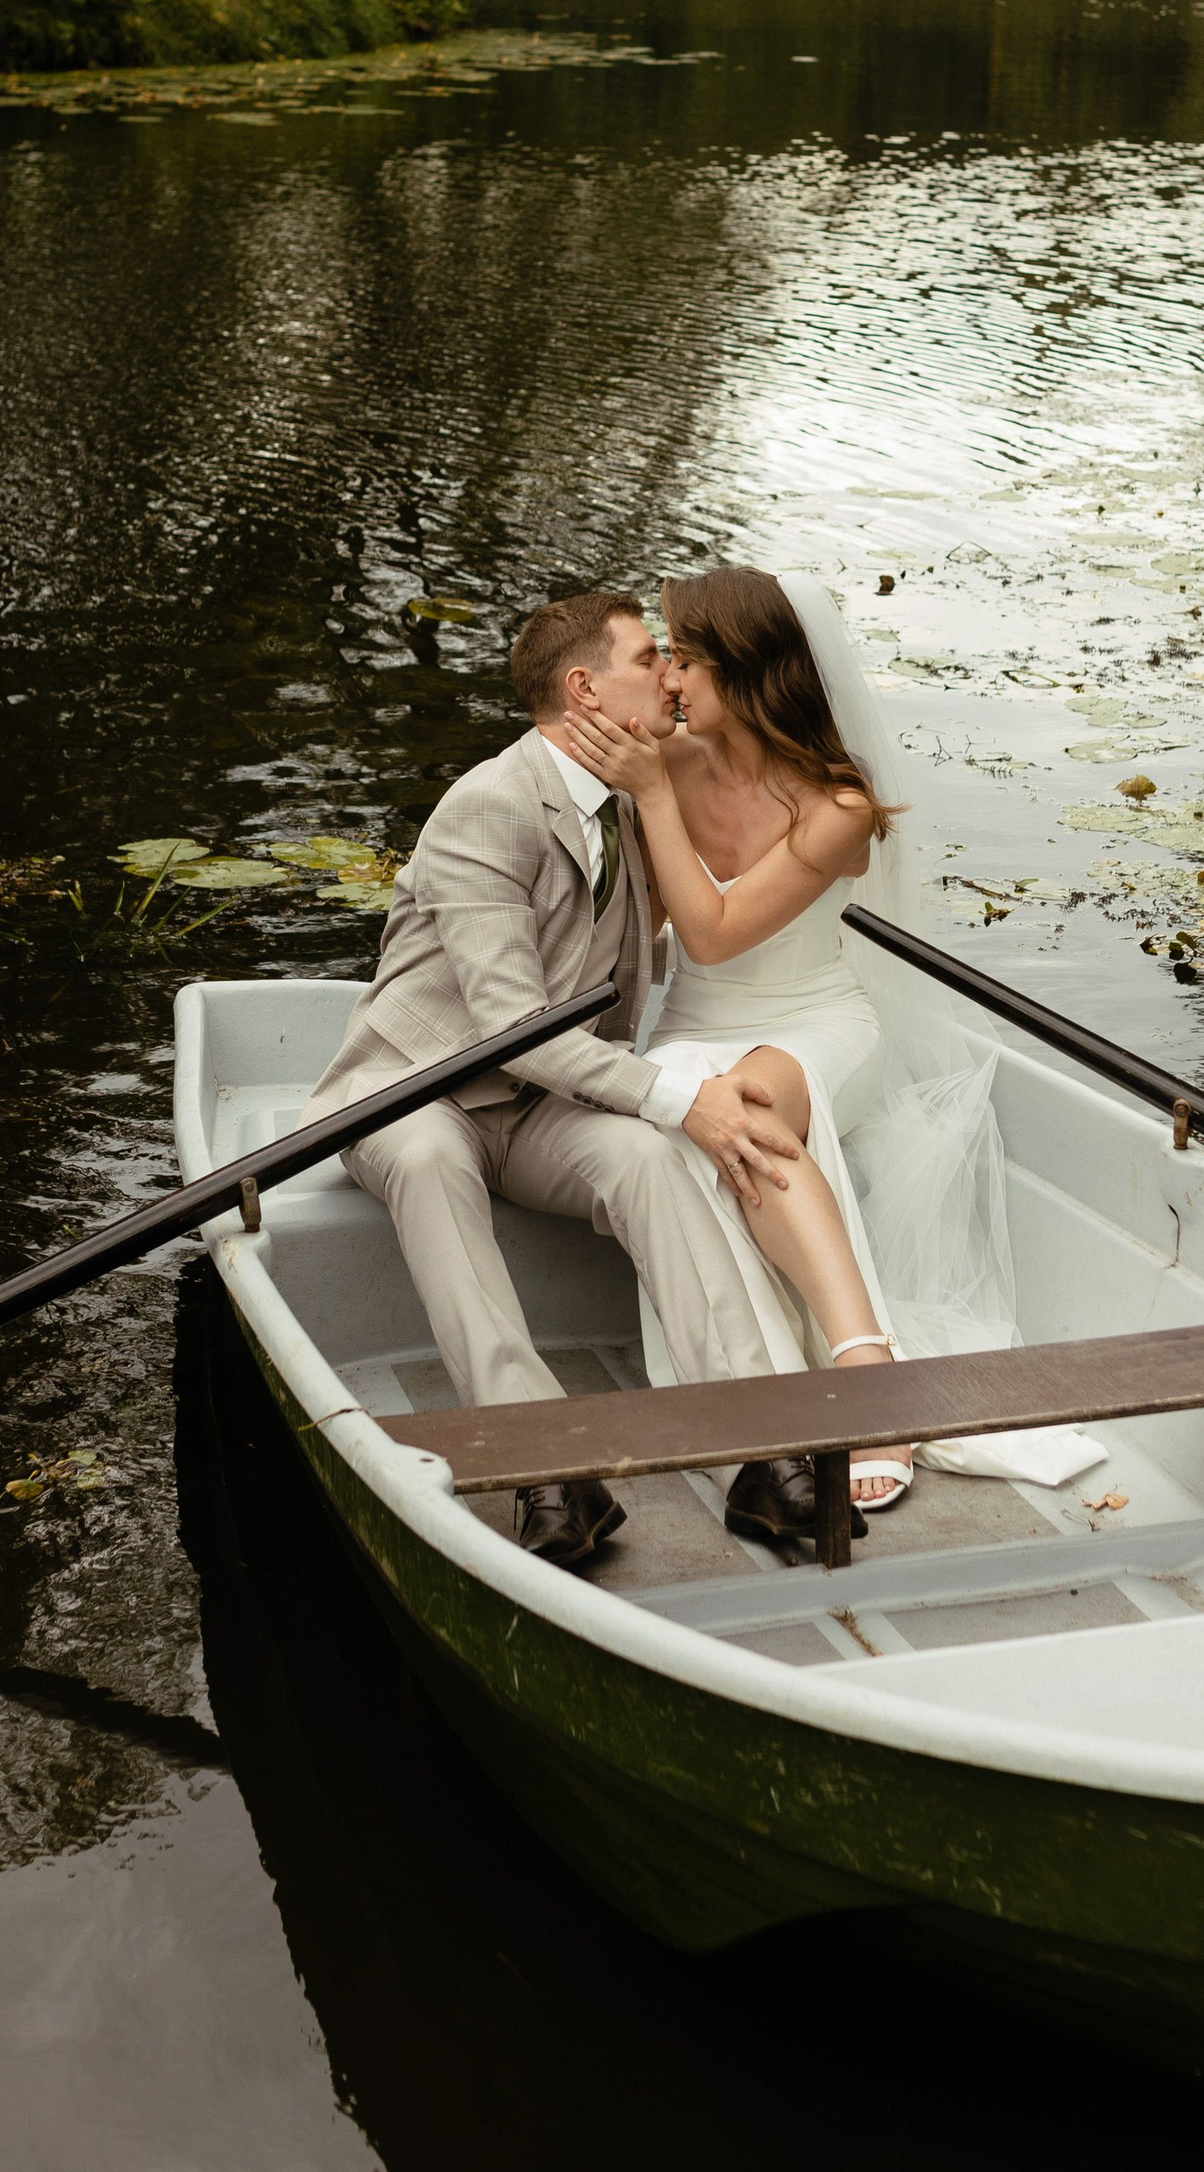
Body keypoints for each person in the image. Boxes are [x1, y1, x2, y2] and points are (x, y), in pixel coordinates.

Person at [301, 586, 839, 1567]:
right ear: (585, 688)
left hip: (540, 1103)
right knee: (425, 1157)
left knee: (642, 1155)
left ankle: (759, 1447)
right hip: (419, 1085)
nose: (669, 677)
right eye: (648, 659)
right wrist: (686, 1094)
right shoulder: (488, 807)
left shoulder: (635, 801)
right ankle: (541, 1459)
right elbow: (509, 1029)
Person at [558, 565, 1106, 1516]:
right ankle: (771, 1380)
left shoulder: (836, 806)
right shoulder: (671, 762)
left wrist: (649, 797)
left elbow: (716, 933)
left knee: (753, 1105)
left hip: (818, 1024)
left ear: (749, 669)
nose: (672, 680)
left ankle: (869, 1366)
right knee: (688, 1104)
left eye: (686, 659)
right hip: (695, 1025)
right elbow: (641, 923)